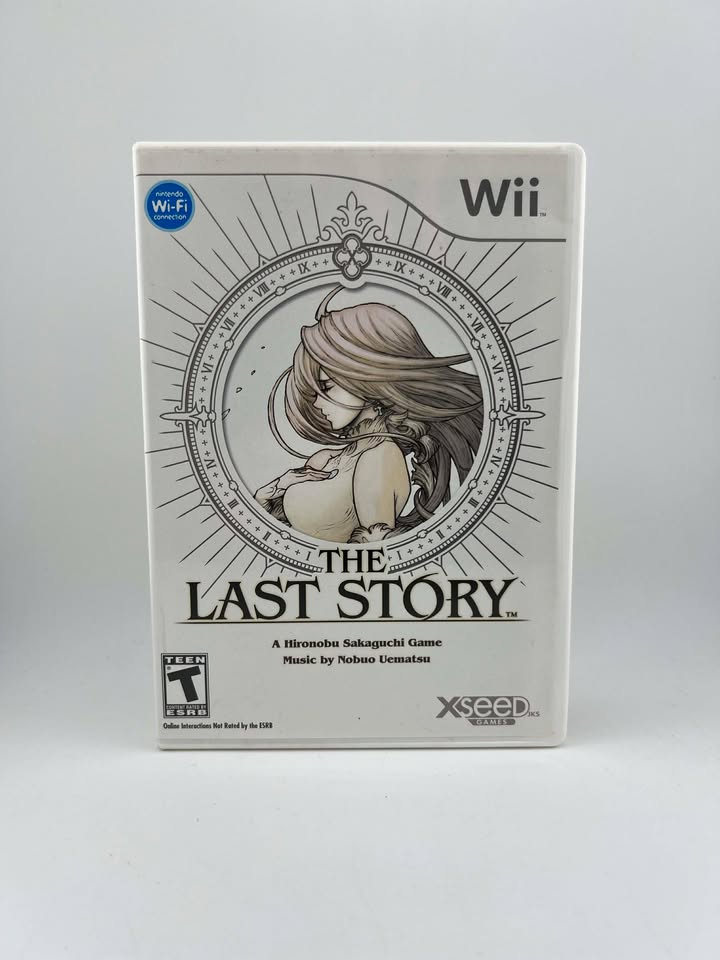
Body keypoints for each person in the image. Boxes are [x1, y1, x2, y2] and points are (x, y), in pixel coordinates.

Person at [254, 287, 483, 543]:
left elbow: (375, 554)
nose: (316, 402)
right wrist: (266, 503)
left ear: (366, 379)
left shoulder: (380, 457)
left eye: (326, 387)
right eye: (313, 391)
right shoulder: (325, 459)